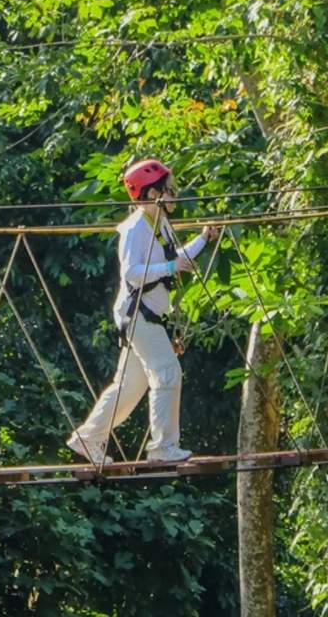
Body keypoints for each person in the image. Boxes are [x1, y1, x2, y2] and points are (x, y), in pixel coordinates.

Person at [66, 159, 220, 465]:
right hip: (139, 313)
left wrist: (203, 239)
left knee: (129, 387)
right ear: (152, 194)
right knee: (167, 372)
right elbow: (132, 273)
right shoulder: (135, 228)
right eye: (168, 189)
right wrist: (170, 267)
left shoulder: (159, 223)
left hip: (146, 314)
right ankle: (163, 447)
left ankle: (88, 438)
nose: (174, 194)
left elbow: (174, 259)